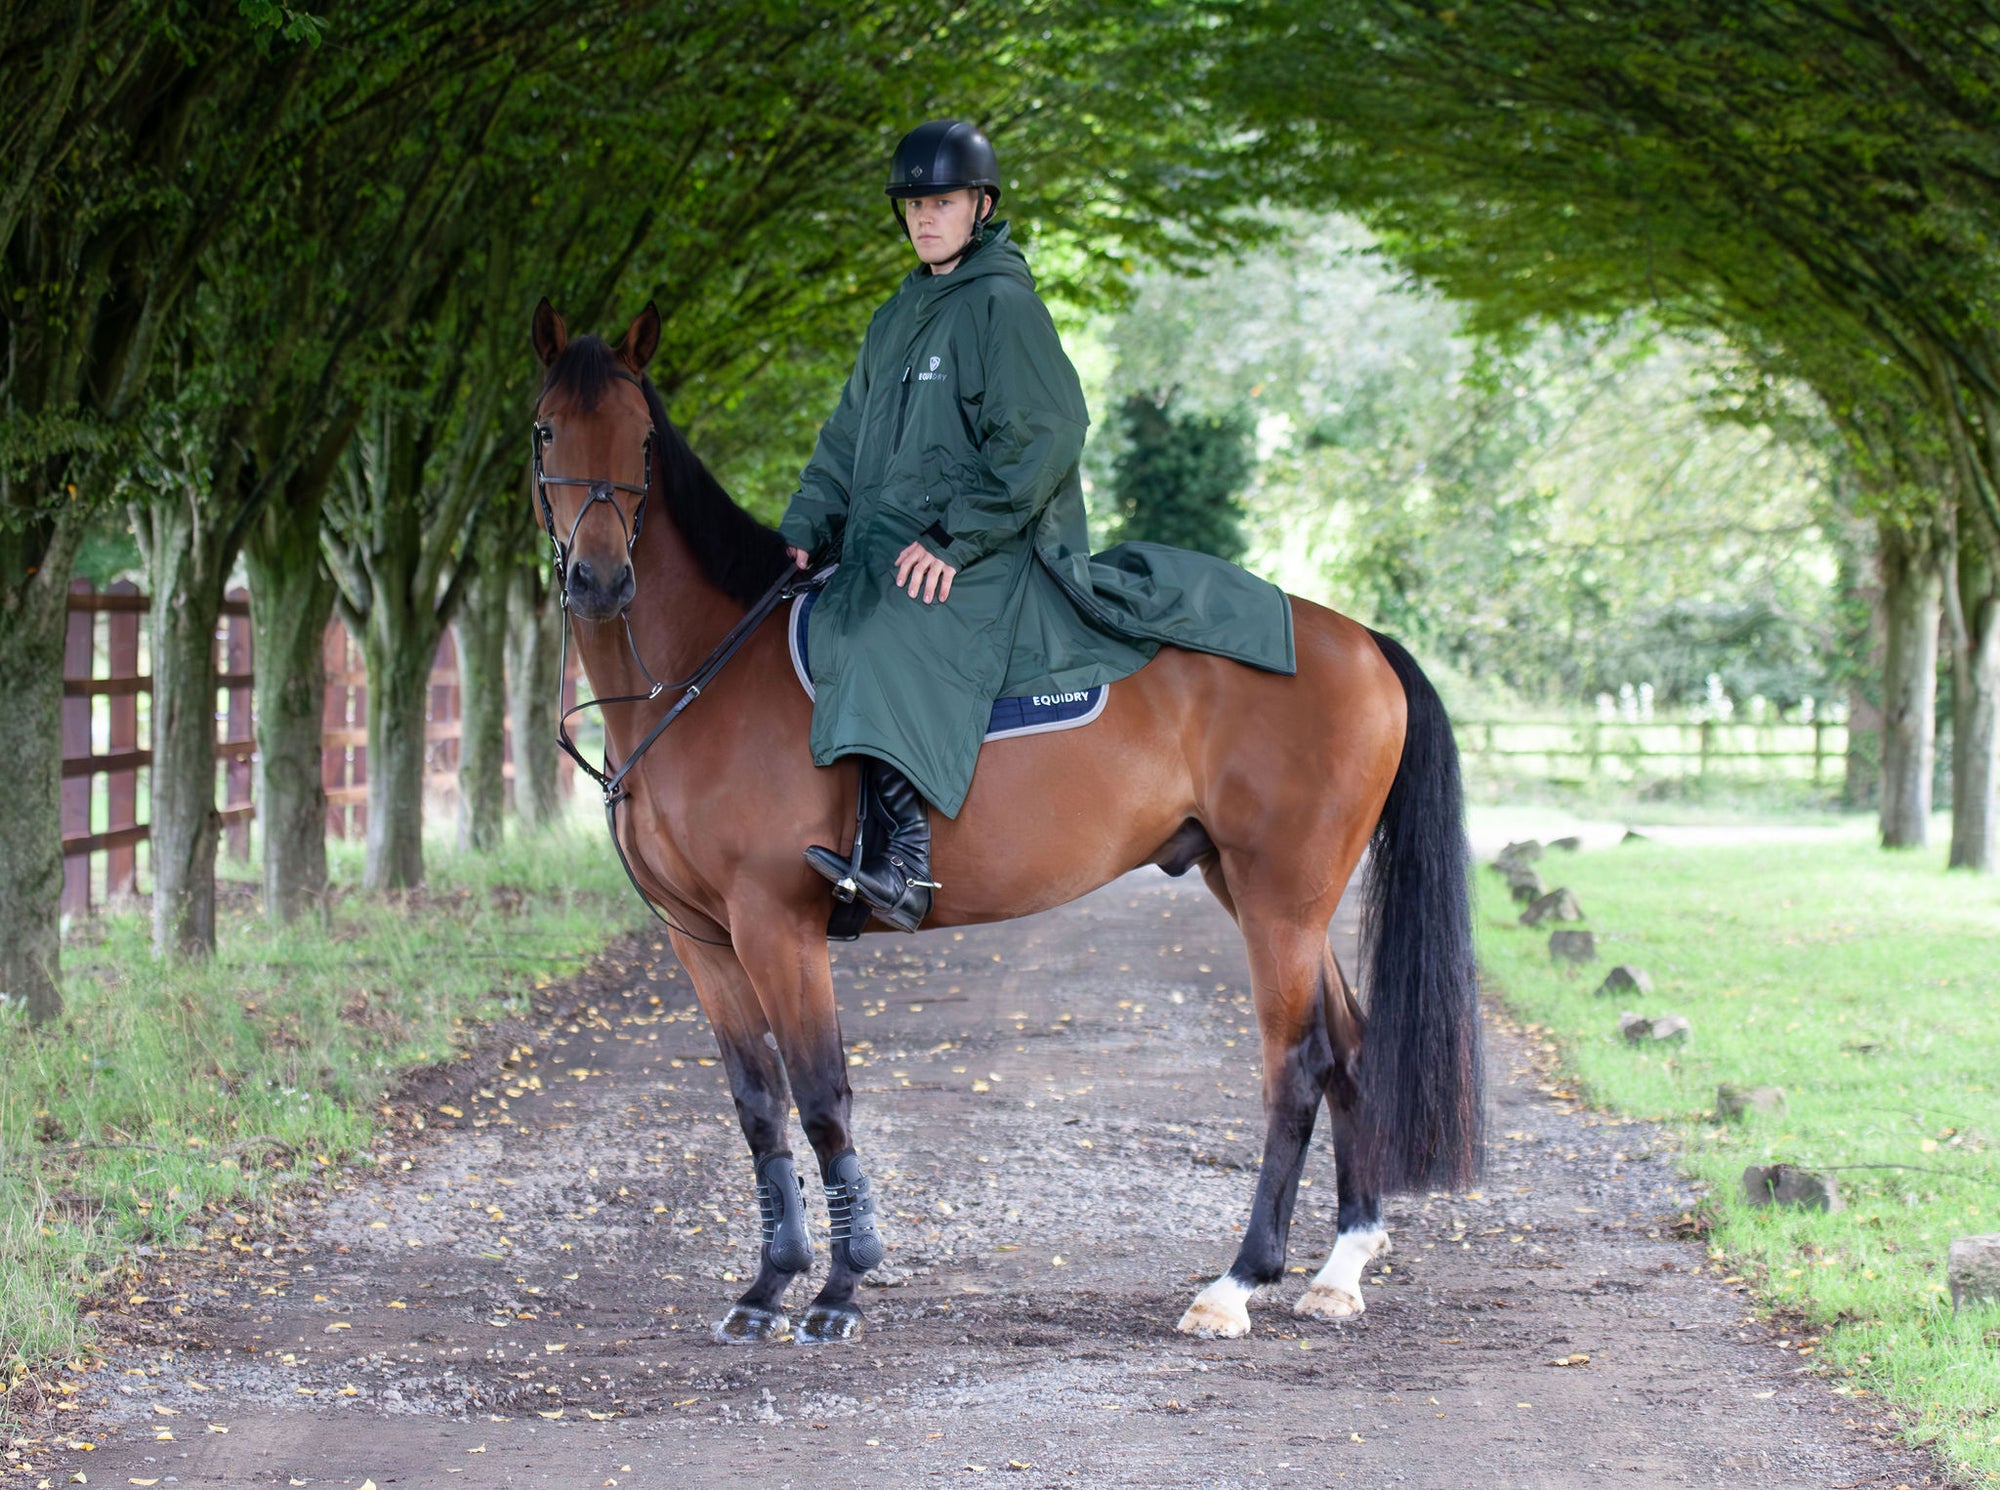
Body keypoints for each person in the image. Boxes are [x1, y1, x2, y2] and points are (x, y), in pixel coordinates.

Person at [780, 119, 1296, 935]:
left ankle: (905, 860)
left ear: (980, 207)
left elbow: (1048, 434)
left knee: (885, 630)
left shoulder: (1002, 306)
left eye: (942, 201)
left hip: (991, 543)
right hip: (890, 540)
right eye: (912, 204)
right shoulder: (894, 318)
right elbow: (844, 440)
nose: (924, 217)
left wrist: (957, 539)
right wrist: (809, 518)